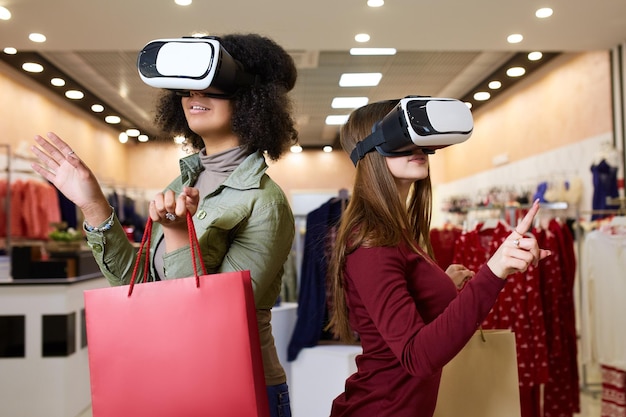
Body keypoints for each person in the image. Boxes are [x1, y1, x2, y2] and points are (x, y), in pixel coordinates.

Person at [30, 33, 298, 417]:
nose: (192, 96)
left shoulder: (265, 201)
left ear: (252, 99)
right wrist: (93, 205)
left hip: (239, 386)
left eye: (210, 86)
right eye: (186, 89)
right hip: (171, 379)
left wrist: (175, 234)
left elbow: (218, 318)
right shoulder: (181, 184)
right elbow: (135, 289)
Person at [326, 99, 551, 417]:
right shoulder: (372, 240)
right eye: (401, 137)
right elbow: (417, 356)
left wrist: (438, 286)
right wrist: (494, 270)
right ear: (373, 150)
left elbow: (403, 313)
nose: (416, 146)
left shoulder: (395, 231)